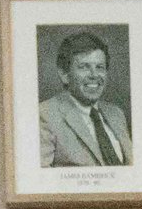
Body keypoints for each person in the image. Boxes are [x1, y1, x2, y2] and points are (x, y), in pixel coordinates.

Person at [38, 32, 132, 168]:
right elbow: (40, 182)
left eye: (99, 67)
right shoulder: (44, 114)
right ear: (65, 74)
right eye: (84, 67)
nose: (94, 75)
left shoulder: (116, 114)